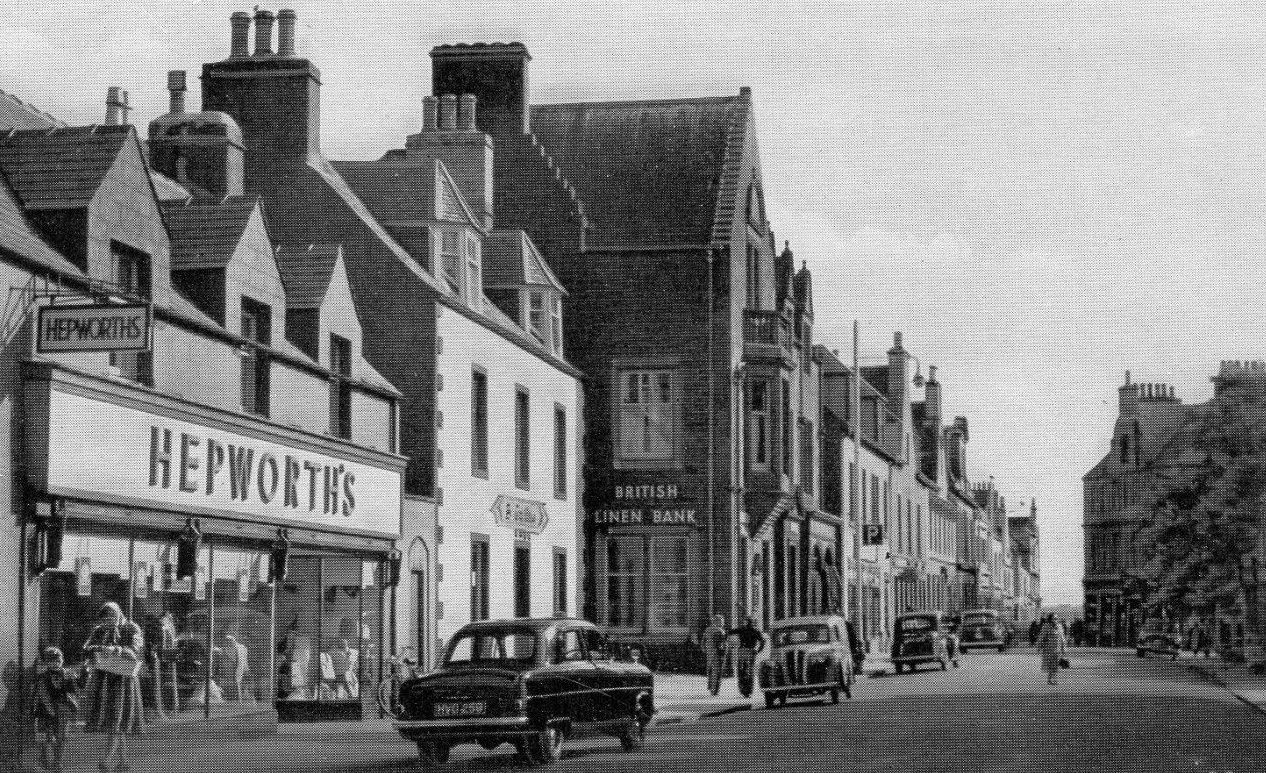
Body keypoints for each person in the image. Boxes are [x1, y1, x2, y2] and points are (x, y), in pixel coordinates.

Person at [83, 601, 144, 772]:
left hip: (124, 682)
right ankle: (123, 761)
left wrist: (117, 650)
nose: (108, 621)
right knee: (116, 722)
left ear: (118, 614)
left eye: (111, 617)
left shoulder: (131, 628)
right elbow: (86, 647)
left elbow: (136, 650)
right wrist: (99, 648)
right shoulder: (99, 630)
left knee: (116, 721)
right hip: (104, 681)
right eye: (105, 619)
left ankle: (106, 760)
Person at [33, 646, 79, 772]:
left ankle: (57, 762)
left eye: (59, 660)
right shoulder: (43, 677)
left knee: (61, 738)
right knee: (45, 737)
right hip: (46, 712)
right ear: (47, 662)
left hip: (62, 710)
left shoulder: (67, 674)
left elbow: (74, 690)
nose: (57, 663)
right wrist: (51, 710)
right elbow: (43, 695)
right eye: (53, 661)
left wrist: (79, 677)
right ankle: (43, 759)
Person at [727, 616, 765, 698]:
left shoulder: (744, 630)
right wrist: (757, 650)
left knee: (742, 671)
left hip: (744, 652)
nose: (745, 623)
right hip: (748, 652)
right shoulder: (755, 631)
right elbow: (762, 641)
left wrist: (757, 650)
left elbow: (730, 632)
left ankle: (744, 690)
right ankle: (747, 691)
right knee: (748, 671)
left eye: (746, 621)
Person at [700, 615, 728, 696]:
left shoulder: (707, 629)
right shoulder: (720, 631)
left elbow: (703, 641)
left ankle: (711, 687)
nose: (723, 623)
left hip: (709, 653)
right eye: (722, 622)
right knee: (717, 671)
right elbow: (723, 643)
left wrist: (704, 649)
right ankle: (715, 690)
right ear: (717, 621)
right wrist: (725, 652)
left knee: (710, 670)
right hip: (717, 653)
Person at [1036, 613, 1067, 686]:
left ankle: (1052, 680)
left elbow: (1062, 638)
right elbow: (1041, 637)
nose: (1056, 620)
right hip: (1048, 649)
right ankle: (1051, 680)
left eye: (1057, 618)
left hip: (1057, 649)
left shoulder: (1059, 626)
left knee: (1055, 665)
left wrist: (1064, 648)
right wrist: (1039, 647)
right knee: (1051, 665)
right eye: (1055, 618)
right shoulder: (1046, 626)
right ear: (1050, 619)